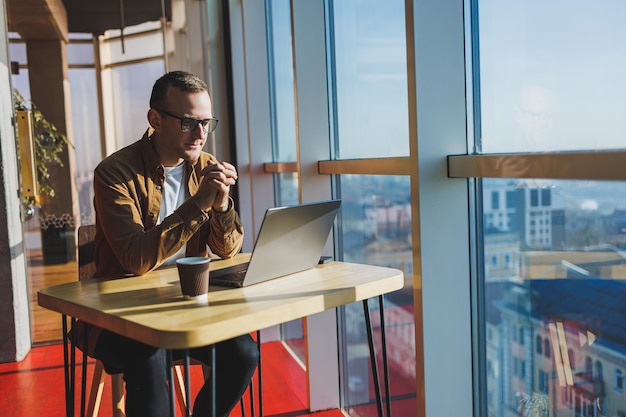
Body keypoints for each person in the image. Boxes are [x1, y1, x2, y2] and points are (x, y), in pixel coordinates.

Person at [88, 70, 259, 417]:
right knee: (149, 364)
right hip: (121, 314)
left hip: (185, 306)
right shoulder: (114, 173)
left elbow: (228, 250)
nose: (200, 135)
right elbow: (135, 260)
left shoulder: (207, 166)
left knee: (245, 355)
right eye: (187, 122)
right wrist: (199, 204)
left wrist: (223, 204)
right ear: (155, 119)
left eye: (206, 123)